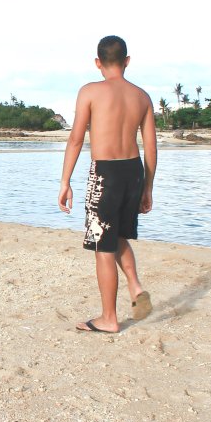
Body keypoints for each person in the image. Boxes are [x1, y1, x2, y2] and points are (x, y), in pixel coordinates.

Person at [58, 35, 156, 333]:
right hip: (133, 171)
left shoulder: (90, 91)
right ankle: (135, 285)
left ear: (98, 63)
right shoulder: (142, 97)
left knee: (103, 245)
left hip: (106, 173)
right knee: (118, 234)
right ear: (127, 61)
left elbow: (76, 138)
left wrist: (65, 181)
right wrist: (148, 187)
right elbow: (151, 147)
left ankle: (109, 319)